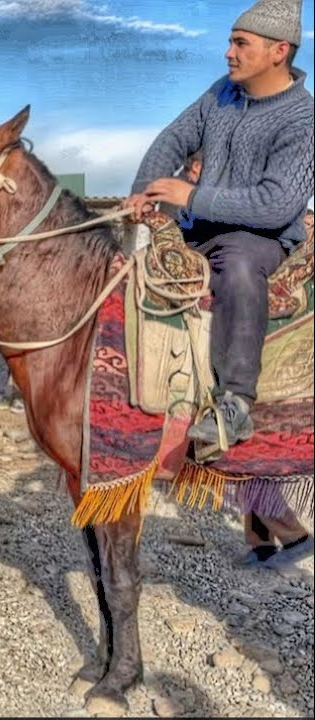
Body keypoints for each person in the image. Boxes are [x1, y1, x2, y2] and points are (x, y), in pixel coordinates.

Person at [122, 0, 313, 449]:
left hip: (259, 238)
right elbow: (175, 138)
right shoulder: (220, 93)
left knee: (242, 268)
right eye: (231, 41)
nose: (228, 52)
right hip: (198, 227)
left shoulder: (304, 118)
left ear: (278, 50)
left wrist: (189, 195)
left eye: (240, 43)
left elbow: (275, 204)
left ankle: (235, 402)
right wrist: (145, 188)